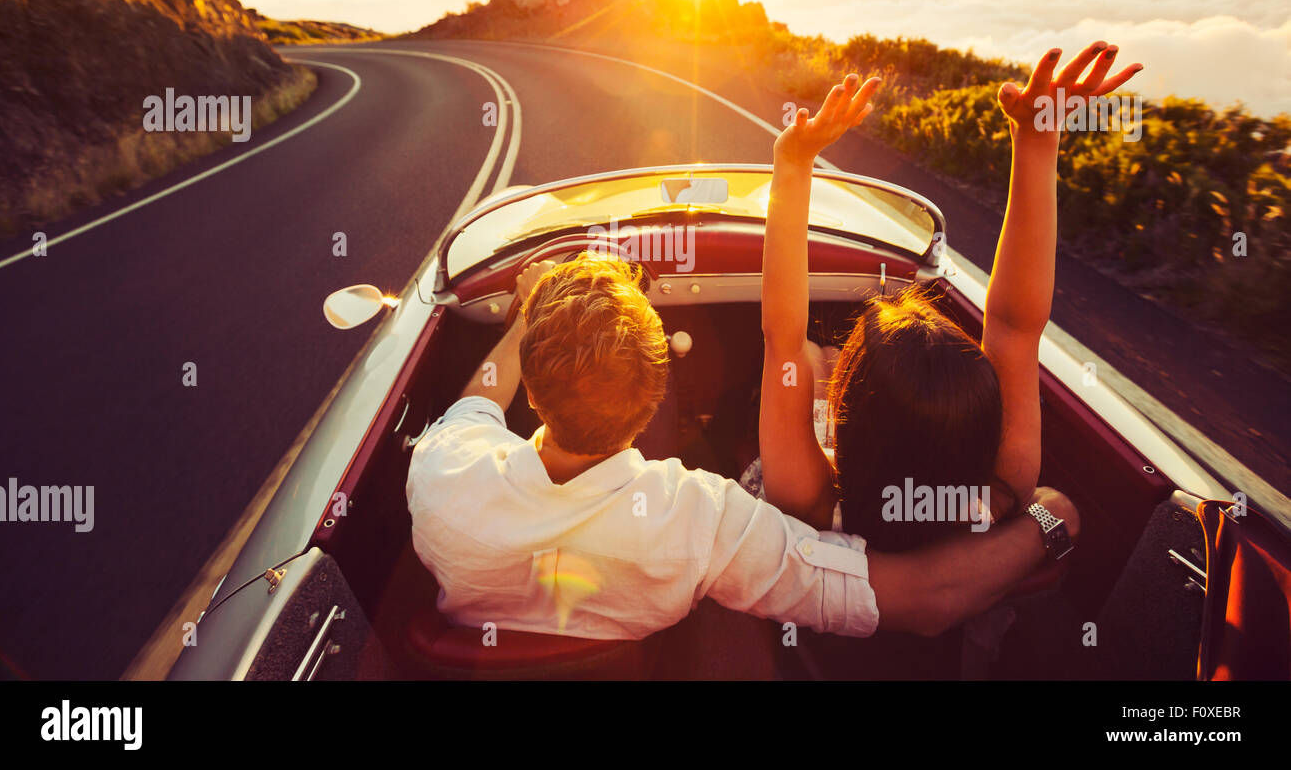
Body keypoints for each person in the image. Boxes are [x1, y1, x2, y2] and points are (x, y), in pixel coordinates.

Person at [406, 251, 1080, 647]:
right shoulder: (704, 522)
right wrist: (1049, 519)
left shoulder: (441, 472)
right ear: (656, 394)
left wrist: (529, 318)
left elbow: (479, 399)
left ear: (535, 387)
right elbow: (927, 598)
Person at [756, 41, 1141, 548]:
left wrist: (793, 161)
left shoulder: (809, 501)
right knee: (809, 355)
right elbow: (1014, 329)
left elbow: (783, 339)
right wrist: (1038, 139)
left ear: (842, 420)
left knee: (807, 356)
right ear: (983, 434)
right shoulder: (998, 494)